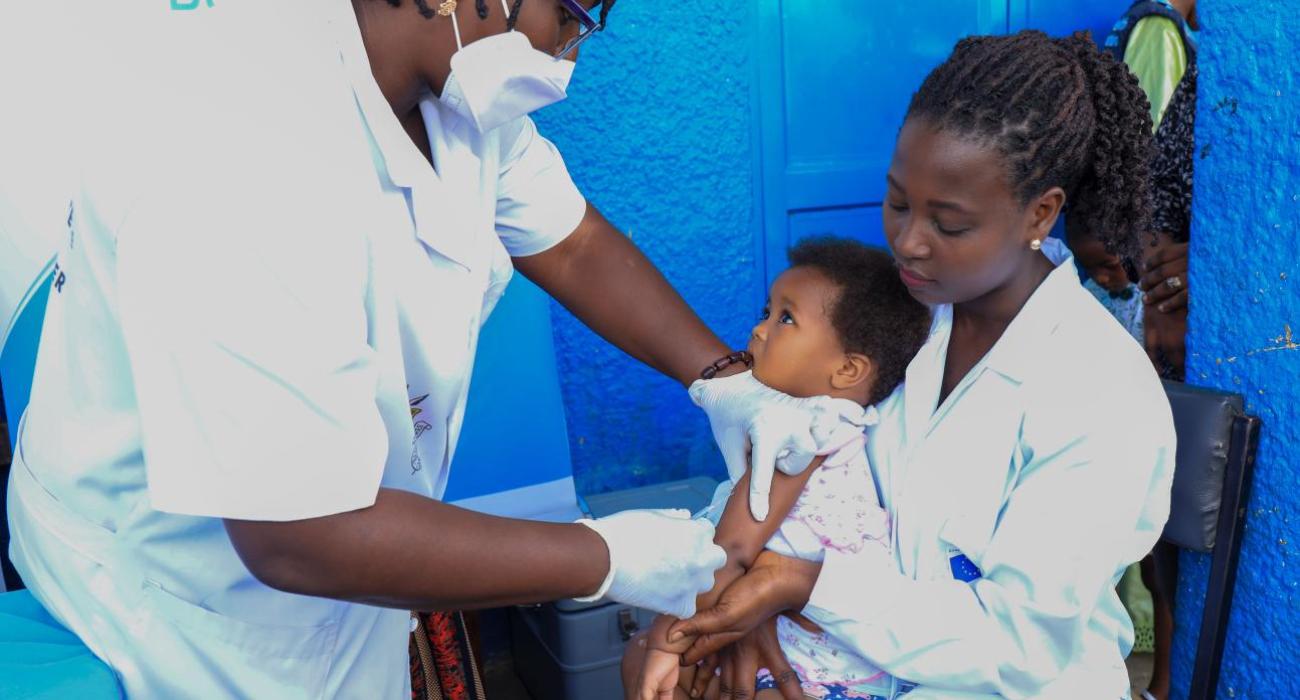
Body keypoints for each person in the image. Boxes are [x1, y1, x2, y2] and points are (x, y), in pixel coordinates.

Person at [3, 1, 853, 697]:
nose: (571, 50)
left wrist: (722, 382)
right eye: (571, 10)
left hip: (338, 556)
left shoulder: (446, 80)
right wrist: (611, 558)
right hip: (181, 599)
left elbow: (572, 242)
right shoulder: (237, 146)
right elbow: (296, 532)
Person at [667, 30, 1176, 700]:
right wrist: (744, 596)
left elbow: (1017, 647)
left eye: (950, 224)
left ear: (1041, 213)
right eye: (898, 202)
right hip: (862, 665)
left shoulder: (1102, 395)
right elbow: (794, 451)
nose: (908, 243)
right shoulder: (899, 319)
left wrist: (802, 586)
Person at [622, 238, 931, 700]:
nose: (760, 330)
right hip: (819, 645)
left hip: (819, 666)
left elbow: (731, 550)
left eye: (785, 319)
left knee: (648, 661)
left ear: (847, 370)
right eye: (767, 311)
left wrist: (669, 637)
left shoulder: (803, 431)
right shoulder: (831, 422)